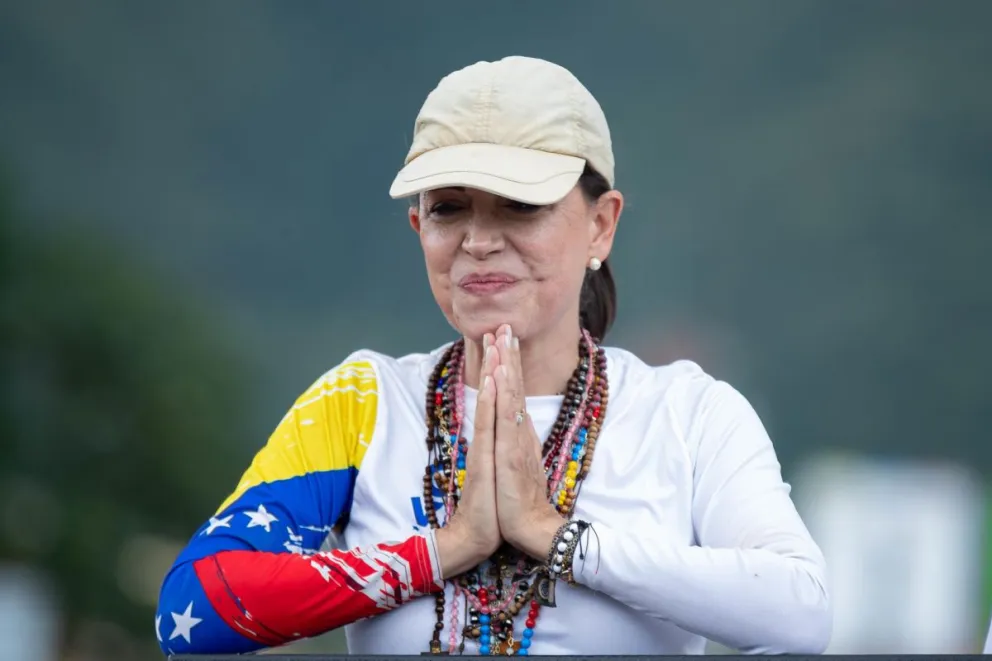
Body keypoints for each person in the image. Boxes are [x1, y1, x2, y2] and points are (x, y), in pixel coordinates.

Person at [155, 55, 831, 656]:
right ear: (419, 227)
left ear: (602, 223)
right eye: (450, 208)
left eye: (519, 206)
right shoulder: (363, 401)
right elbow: (195, 610)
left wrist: (555, 535)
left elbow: (799, 611)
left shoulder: (688, 414)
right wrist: (444, 548)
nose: (478, 240)